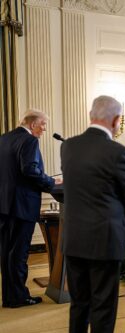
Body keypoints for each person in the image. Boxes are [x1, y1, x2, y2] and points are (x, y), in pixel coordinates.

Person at [61, 96, 125, 333]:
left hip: (74, 238)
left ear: (90, 115)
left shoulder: (68, 146)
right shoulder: (117, 152)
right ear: (116, 120)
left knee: (80, 303)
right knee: (103, 307)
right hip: (104, 240)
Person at [0, 109, 60, 308]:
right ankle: (18, 297)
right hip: (22, 205)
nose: (44, 129)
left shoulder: (4, 139)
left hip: (5, 205)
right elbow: (29, 170)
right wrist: (51, 182)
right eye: (43, 124)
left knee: (7, 252)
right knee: (19, 252)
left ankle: (9, 295)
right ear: (33, 124)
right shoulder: (29, 141)